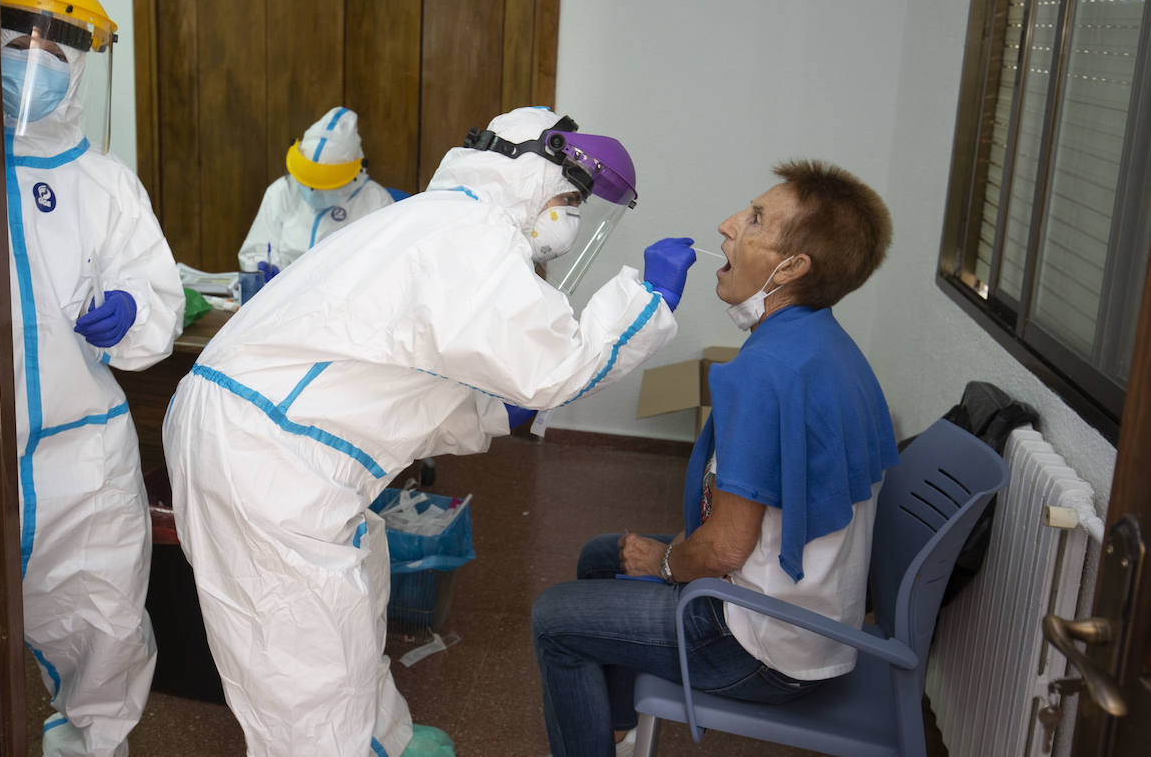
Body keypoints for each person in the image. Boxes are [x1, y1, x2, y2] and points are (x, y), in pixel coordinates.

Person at [162, 106, 698, 756]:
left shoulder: (441, 221)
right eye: (571, 197)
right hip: (268, 455)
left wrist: (497, 415)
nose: (572, 217)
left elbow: (404, 380)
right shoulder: (471, 233)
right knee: (300, 669)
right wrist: (648, 303)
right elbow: (556, 369)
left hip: (283, 440)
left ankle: (379, 739)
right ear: (531, 168)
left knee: (351, 608)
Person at [530, 160, 899, 757]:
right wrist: (672, 557)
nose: (727, 225)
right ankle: (623, 734)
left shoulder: (765, 372)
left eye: (754, 219)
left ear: (793, 267)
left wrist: (669, 561)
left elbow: (726, 548)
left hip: (764, 649)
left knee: (554, 619)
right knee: (602, 556)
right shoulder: (827, 346)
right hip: (816, 620)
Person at [0, 0, 186, 757]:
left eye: (55, 44)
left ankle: (95, 744)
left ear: (83, 64)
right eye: (17, 38)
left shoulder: (106, 183)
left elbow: (160, 305)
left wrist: (132, 313)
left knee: (105, 616)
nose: (34, 57)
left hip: (86, 452)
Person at [237, 107, 396, 279]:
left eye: (324, 184)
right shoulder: (282, 191)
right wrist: (266, 268)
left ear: (351, 176)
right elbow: (255, 250)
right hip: (283, 296)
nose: (313, 191)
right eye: (306, 180)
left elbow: (385, 267)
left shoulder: (376, 203)